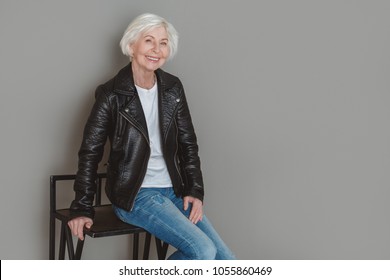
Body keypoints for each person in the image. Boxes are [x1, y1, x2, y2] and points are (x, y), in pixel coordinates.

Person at [68, 13, 235, 260]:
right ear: (132, 45)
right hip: (136, 195)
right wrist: (82, 207)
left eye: (163, 43)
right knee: (203, 251)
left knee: (227, 262)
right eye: (149, 41)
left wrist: (194, 190)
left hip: (174, 192)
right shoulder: (111, 94)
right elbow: (90, 152)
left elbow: (188, 144)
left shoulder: (173, 88)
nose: (157, 49)